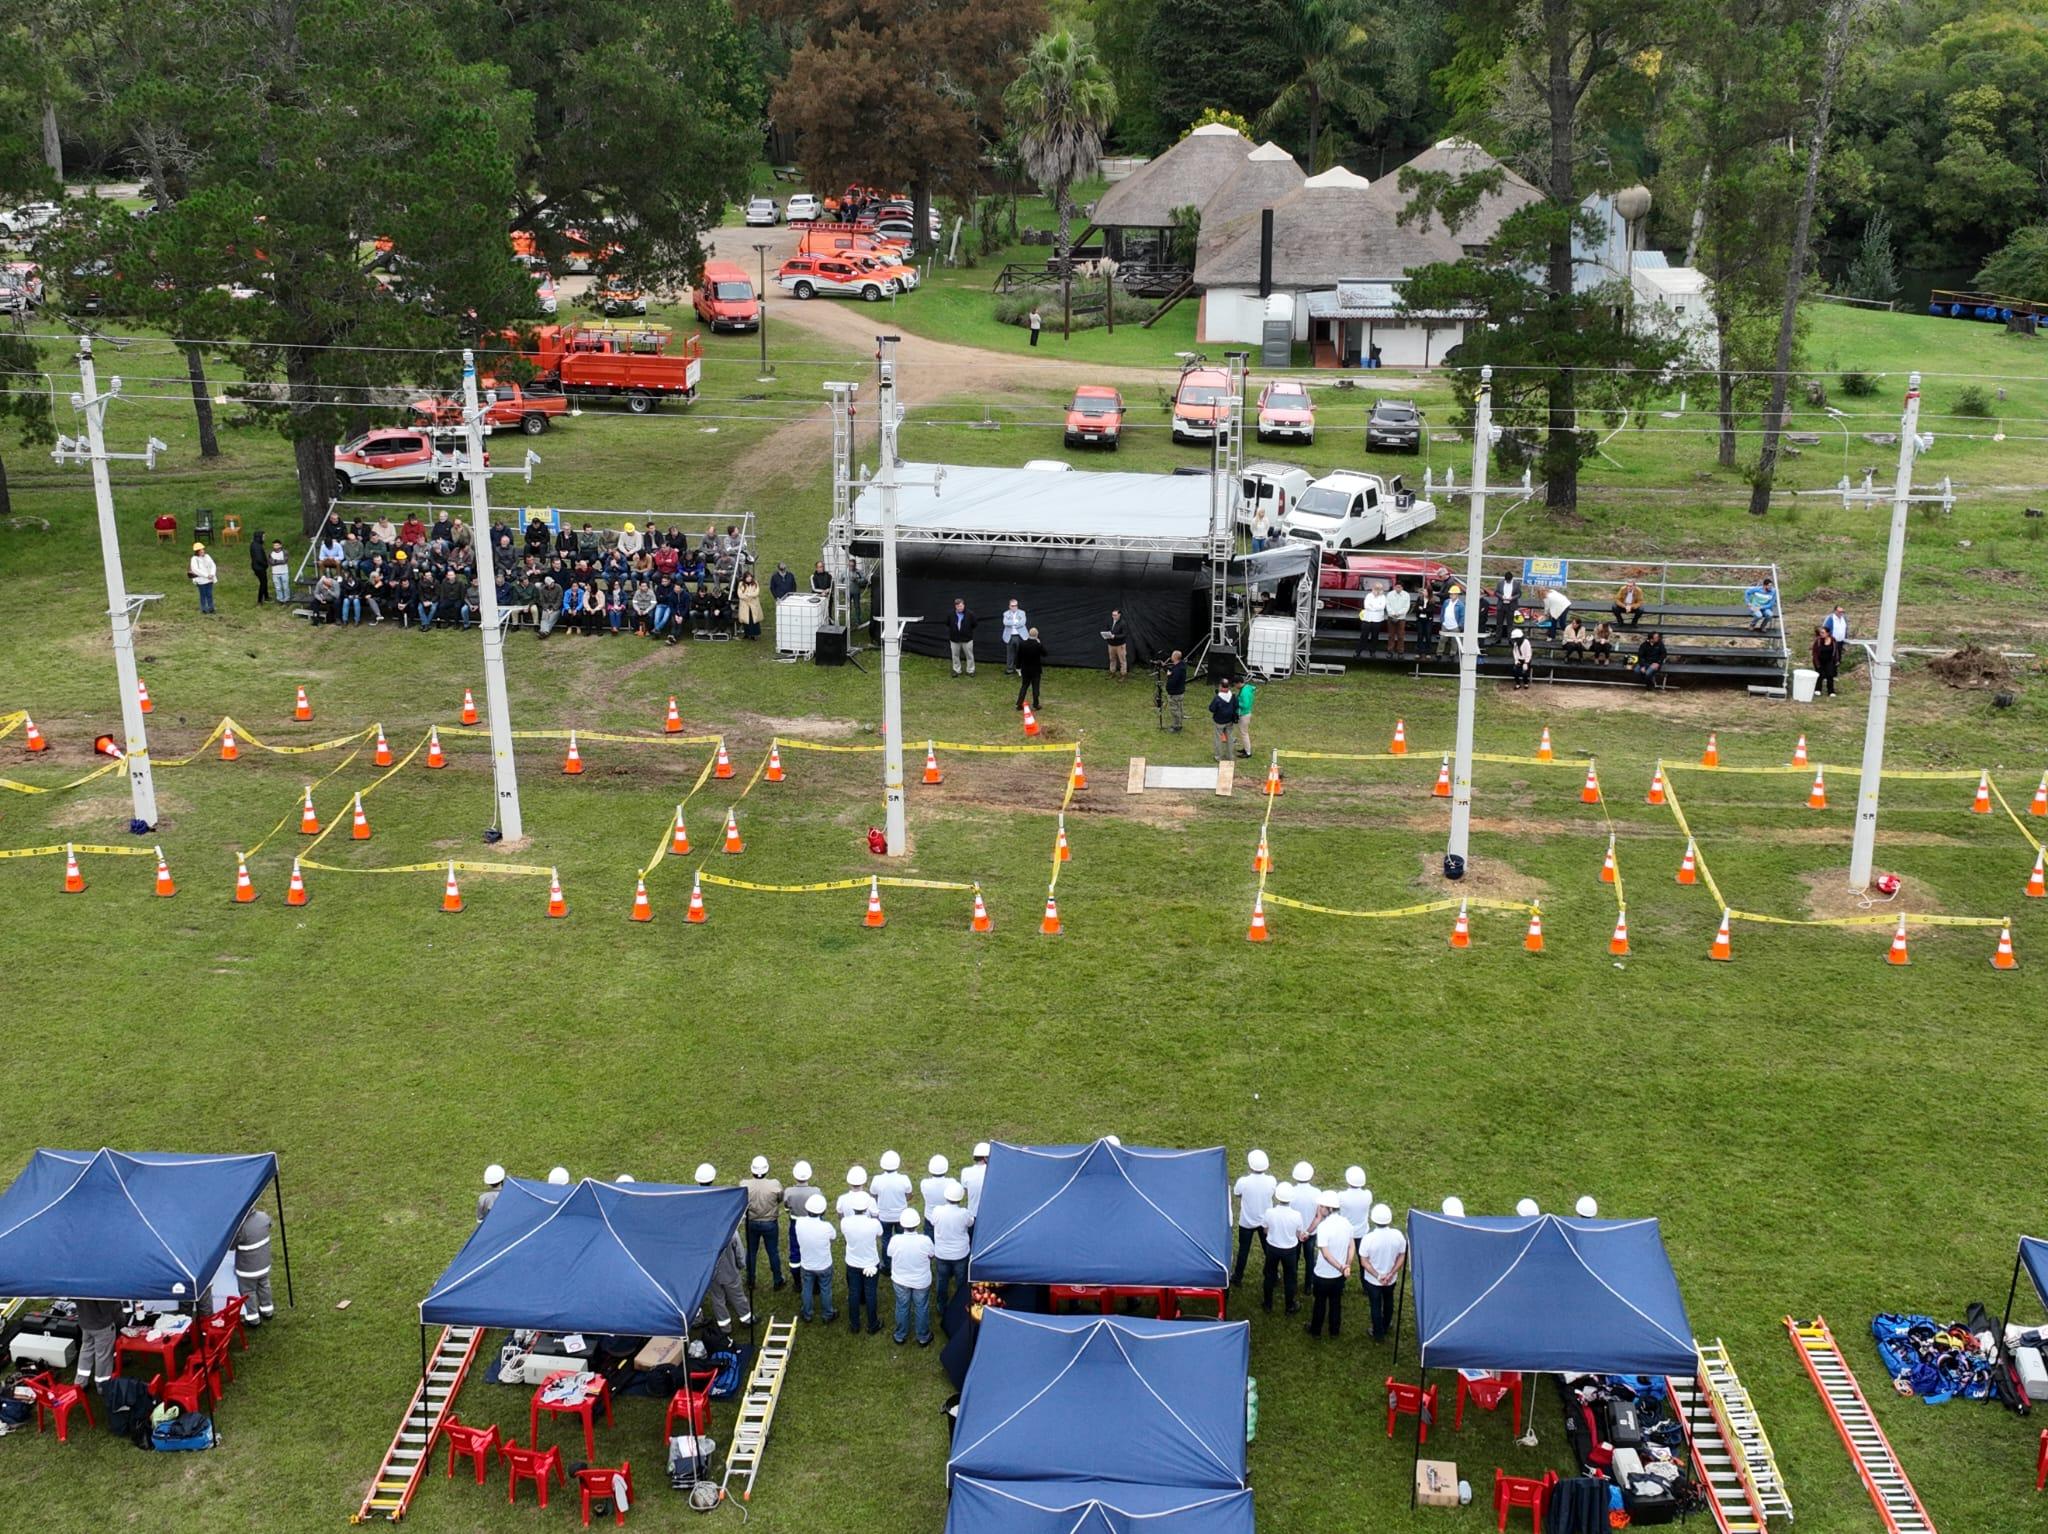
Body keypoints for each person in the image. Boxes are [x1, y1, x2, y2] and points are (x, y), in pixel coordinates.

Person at [1305, 1190, 1354, 1339]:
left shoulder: (1324, 1227)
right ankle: (1334, 1330)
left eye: (1322, 1206)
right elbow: (1352, 1246)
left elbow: (1325, 1254)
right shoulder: (1347, 1224)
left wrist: (1341, 1266)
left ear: (1329, 1209)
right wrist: (1347, 1265)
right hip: (1339, 1276)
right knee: (1335, 1303)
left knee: (1319, 1303)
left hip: (1323, 1274)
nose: (1320, 1208)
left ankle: (1316, 1331)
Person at [1358, 1203, 1407, 1340]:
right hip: (1391, 1279)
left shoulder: (1368, 1238)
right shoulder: (1397, 1235)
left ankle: (1378, 1332)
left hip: (1373, 1280)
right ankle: (1386, 1324)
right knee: (1388, 1300)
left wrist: (1379, 1276)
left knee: (1375, 1305)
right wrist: (1391, 1273)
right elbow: (1402, 1255)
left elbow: (1364, 1261)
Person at [840, 1191, 884, 1336]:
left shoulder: (845, 1222)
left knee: (853, 1292)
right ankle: (872, 1324)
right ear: (867, 1207)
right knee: (870, 1293)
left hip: (853, 1262)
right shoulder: (873, 1223)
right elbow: (880, 1233)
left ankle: (854, 1324)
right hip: (870, 1262)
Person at [890, 1209, 937, 1345]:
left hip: (900, 1280)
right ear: (917, 1223)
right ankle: (922, 1337)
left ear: (902, 1224)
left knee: (902, 1306)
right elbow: (931, 1255)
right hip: (920, 1281)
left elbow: (890, 1254)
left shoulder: (895, 1240)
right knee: (921, 1306)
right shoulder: (925, 1240)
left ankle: (900, 1335)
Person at [1231, 1149, 1276, 1288]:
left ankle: (1238, 1277)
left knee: (1243, 1250)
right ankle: (1273, 1275)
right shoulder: (1271, 1180)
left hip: (1246, 1222)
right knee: (1268, 1249)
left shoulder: (1243, 1182)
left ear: (1250, 1166)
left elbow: (1237, 1193)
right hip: (1265, 1223)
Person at [742, 1156, 785, 1291]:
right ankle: (777, 1280)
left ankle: (750, 1280)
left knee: (751, 1252)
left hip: (752, 1222)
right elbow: (780, 1198)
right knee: (773, 1252)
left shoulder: (744, 1185)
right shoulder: (774, 1184)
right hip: (770, 1223)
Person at [793, 1193, 838, 1323]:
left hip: (807, 1264)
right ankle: (828, 1314)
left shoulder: (799, 1223)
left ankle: (807, 1313)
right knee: (826, 1289)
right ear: (823, 1211)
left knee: (807, 1288)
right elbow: (833, 1237)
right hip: (824, 1265)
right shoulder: (826, 1227)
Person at [1260, 1180, 1304, 1314]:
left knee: (1269, 1276)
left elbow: (1265, 1230)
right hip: (1290, 1250)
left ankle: (1268, 1304)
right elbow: (1298, 1233)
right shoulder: (1297, 1215)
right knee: (1290, 1278)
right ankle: (1289, 1306)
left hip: (1272, 1248)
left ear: (1277, 1197)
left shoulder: (1269, 1212)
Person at [929, 1180, 973, 1312]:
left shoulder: (937, 1211)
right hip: (960, 1254)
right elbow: (970, 1223)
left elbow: (932, 1222)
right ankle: (959, 1306)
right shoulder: (964, 1213)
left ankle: (941, 1306)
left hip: (942, 1253)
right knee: (960, 1282)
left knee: (942, 1280)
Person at [235, 1204, 275, 1325]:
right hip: (264, 1264)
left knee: (248, 1292)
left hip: (247, 1270)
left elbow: (231, 1246)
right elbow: (270, 1224)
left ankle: (253, 1319)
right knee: (264, 1286)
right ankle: (267, 1310)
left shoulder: (241, 1228)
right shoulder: (263, 1217)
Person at [871, 1151, 913, 1253]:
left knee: (886, 1240)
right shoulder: (904, 1179)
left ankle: (887, 1263)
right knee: (902, 1240)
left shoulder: (877, 1179)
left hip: (884, 1216)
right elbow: (909, 1195)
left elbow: (873, 1196)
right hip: (901, 1216)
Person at [783, 1159, 820, 1271]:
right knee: (814, 1248)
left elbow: (786, 1208)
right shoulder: (816, 1191)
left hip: (795, 1224)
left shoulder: (789, 1191)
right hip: (812, 1223)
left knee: (795, 1250)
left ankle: (797, 1281)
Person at [74, 1298, 120, 1387]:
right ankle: (103, 1386)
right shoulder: (100, 1286)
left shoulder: (77, 1284)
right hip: (102, 1326)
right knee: (103, 1356)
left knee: (86, 1351)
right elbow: (106, 1308)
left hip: (85, 1323)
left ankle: (80, 1383)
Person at [1015, 627, 1046, 711]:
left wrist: (1018, 667)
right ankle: (1036, 704)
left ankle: (1019, 704)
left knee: (1024, 686)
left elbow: (1018, 657)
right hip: (1035, 670)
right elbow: (1045, 653)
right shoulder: (1037, 645)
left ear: (1028, 634)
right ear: (1037, 635)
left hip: (1025, 669)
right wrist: (1040, 643)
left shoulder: (1022, 644)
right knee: (1035, 687)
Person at [1209, 679, 1239, 762]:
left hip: (1219, 721)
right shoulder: (1232, 696)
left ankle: (1218, 757)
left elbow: (1211, 708)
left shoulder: (1218, 698)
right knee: (1230, 738)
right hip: (1229, 721)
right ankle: (1230, 756)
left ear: (1221, 687)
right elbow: (1236, 706)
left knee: (1218, 739)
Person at [1354, 583, 1387, 659]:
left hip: (1377, 619)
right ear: (1373, 588)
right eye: (1376, 588)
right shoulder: (1369, 595)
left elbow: (1382, 607)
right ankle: (1358, 652)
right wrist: (1375, 608)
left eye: (1379, 589)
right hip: (1367, 619)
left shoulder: (1383, 597)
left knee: (1375, 637)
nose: (1377, 590)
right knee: (1363, 636)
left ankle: (1372, 652)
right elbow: (1366, 606)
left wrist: (1373, 607)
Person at [947, 599, 977, 677]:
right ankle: (957, 670)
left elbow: (974, 624)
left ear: (964, 605)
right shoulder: (951, 614)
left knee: (969, 655)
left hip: (967, 639)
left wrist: (966, 631)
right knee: (955, 655)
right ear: (955, 606)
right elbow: (947, 623)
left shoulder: (970, 614)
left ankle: (970, 670)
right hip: (954, 639)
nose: (959, 607)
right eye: (957, 606)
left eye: (960, 606)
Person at [961, 1142, 991, 1217]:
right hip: (988, 1216)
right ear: (985, 1158)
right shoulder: (993, 1171)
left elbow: (966, 1190)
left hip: (972, 1214)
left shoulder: (965, 1172)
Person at [1811, 621, 1841, 697]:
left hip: (1829, 660)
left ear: (1828, 633)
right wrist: (1817, 663)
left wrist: (1837, 660)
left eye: (1823, 632)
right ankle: (1818, 689)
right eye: (1821, 632)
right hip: (1819, 660)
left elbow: (1836, 651)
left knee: (1830, 675)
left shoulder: (1833, 640)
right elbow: (1814, 652)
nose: (1821, 634)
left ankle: (1831, 691)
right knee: (1820, 675)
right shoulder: (1818, 641)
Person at [189, 542, 218, 613]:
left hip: (210, 579)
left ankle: (211, 608)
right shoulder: (194, 559)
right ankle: (204, 609)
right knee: (203, 595)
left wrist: (212, 574)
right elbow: (195, 570)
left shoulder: (207, 556)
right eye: (200, 550)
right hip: (201, 580)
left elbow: (213, 565)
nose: (202, 551)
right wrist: (207, 575)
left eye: (203, 549)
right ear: (197, 551)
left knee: (209, 594)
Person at [1384, 580, 1411, 656]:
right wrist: (1392, 613)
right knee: (1391, 635)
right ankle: (1390, 650)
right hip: (1391, 617)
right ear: (1394, 587)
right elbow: (1387, 605)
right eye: (1397, 587)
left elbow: (1407, 607)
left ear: (1402, 588)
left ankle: (1400, 651)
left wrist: (1399, 613)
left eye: (1400, 587)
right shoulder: (1390, 594)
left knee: (1401, 635)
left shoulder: (1406, 595)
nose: (1398, 588)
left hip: (1401, 618)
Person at [1000, 599, 1028, 673]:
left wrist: (1012, 623)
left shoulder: (1022, 612)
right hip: (1009, 636)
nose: (1014, 607)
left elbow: (1023, 622)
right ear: (1009, 606)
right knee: (1010, 654)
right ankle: (1010, 669)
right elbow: (1005, 622)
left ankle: (1021, 668)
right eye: (1012, 606)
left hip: (1020, 636)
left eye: (1016, 605)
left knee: (1021, 653)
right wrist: (1015, 621)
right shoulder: (1006, 613)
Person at [1164, 651, 1188, 731]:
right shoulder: (1181, 666)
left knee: (1175, 709)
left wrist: (1169, 676)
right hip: (1180, 692)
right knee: (1179, 708)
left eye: (1172, 656)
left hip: (1175, 693)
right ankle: (1179, 723)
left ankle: (1176, 726)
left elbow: (1173, 681)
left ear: (1174, 657)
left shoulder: (1178, 669)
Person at [1493, 569, 1519, 643]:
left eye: (1509, 581)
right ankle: (1498, 639)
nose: (1508, 582)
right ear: (1505, 579)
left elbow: (1519, 594)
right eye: (1507, 580)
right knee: (1499, 623)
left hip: (1511, 606)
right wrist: (1502, 596)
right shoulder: (1500, 583)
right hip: (1501, 605)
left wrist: (1512, 598)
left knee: (1510, 624)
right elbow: (1496, 592)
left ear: (1512, 579)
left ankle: (1510, 640)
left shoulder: (1516, 583)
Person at [1233, 674, 1256, 759]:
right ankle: (1246, 749)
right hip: (1246, 713)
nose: (1235, 686)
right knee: (1243, 733)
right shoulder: (1246, 688)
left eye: (1235, 684)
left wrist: (1236, 702)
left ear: (1239, 683)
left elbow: (1245, 705)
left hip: (1244, 714)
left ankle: (1248, 752)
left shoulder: (1244, 692)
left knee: (1244, 733)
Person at [736, 570, 763, 640]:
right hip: (745, 605)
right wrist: (748, 596)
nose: (749, 578)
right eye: (748, 577)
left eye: (750, 577)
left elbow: (756, 593)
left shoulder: (755, 583)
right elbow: (740, 594)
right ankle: (747, 634)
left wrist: (748, 595)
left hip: (753, 605)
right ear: (745, 578)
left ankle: (754, 635)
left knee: (753, 620)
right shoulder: (741, 584)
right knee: (746, 620)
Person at [1106, 609, 1130, 677]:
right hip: (1111, 645)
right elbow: (1108, 630)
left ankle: (1123, 675)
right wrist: (1107, 635)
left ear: (1119, 615)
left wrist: (1115, 636)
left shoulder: (1123, 623)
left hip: (1120, 645)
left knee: (1122, 661)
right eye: (1112, 615)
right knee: (1112, 659)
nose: (1113, 616)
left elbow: (1124, 634)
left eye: (1115, 615)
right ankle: (1112, 673)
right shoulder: (1110, 622)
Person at [249, 529, 271, 605]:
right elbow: (259, 559)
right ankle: (259, 600)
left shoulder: (254, 544)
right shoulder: (256, 546)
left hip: (257, 566)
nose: (264, 538)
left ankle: (266, 596)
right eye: (263, 536)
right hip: (259, 567)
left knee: (264, 581)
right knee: (263, 583)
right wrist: (266, 564)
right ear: (259, 537)